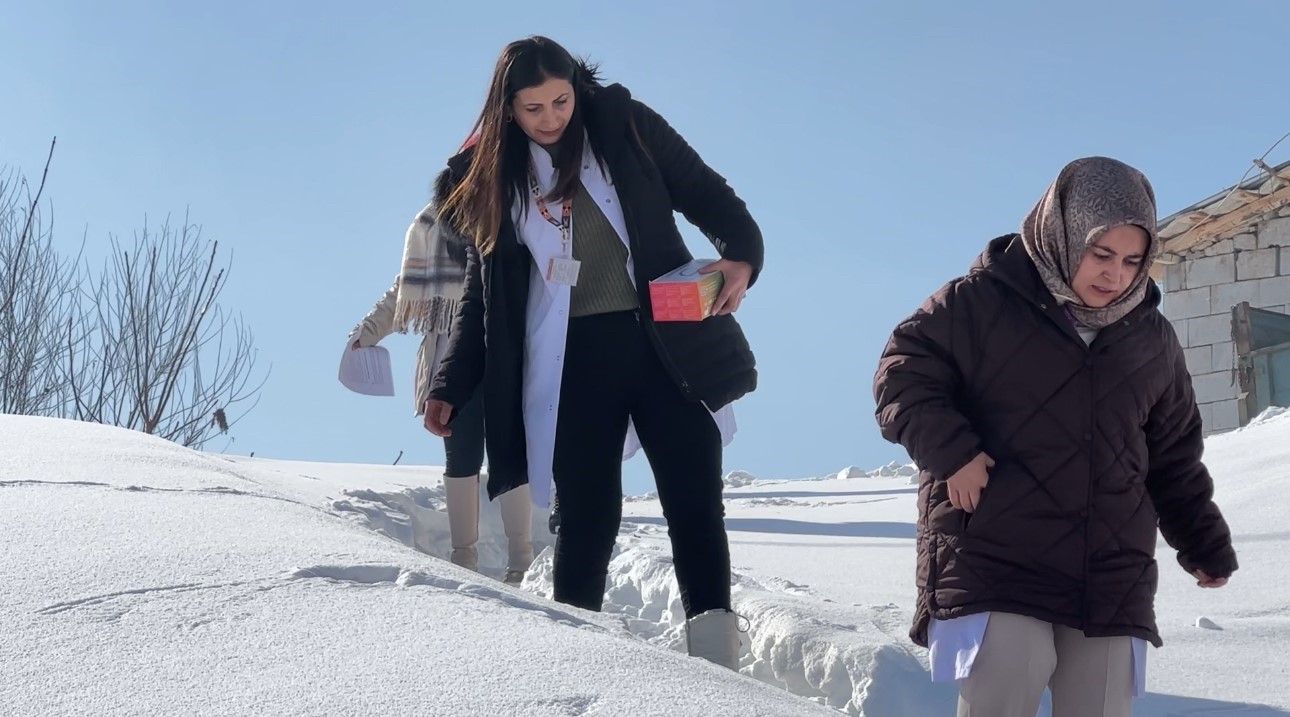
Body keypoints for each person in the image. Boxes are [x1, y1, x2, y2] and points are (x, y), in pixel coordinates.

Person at [422, 36, 763, 670]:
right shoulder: (494, 180)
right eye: (533, 108)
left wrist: (743, 255)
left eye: (561, 100)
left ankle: (720, 672)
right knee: (585, 517)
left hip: (667, 346)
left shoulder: (625, 126)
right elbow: (483, 298)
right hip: (574, 363)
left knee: (694, 503)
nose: (551, 117)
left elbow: (706, 191)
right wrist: (451, 381)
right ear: (507, 110)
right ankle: (576, 667)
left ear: (577, 89)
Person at [872, 156, 1239, 717]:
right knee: (1009, 674)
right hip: (995, 547)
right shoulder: (977, 302)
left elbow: (1173, 457)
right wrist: (954, 453)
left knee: (1101, 699)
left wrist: (1203, 542)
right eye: (1101, 254)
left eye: (1132, 261)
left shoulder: (1153, 340)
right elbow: (902, 375)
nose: (1115, 275)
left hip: (1109, 566)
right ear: (1064, 233)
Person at [352, 200, 533, 584]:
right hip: (450, 361)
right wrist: (367, 332)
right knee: (461, 455)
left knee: (510, 453)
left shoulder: (512, 209)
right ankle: (463, 557)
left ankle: (522, 561)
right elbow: (406, 287)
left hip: (506, 350)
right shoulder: (431, 223)